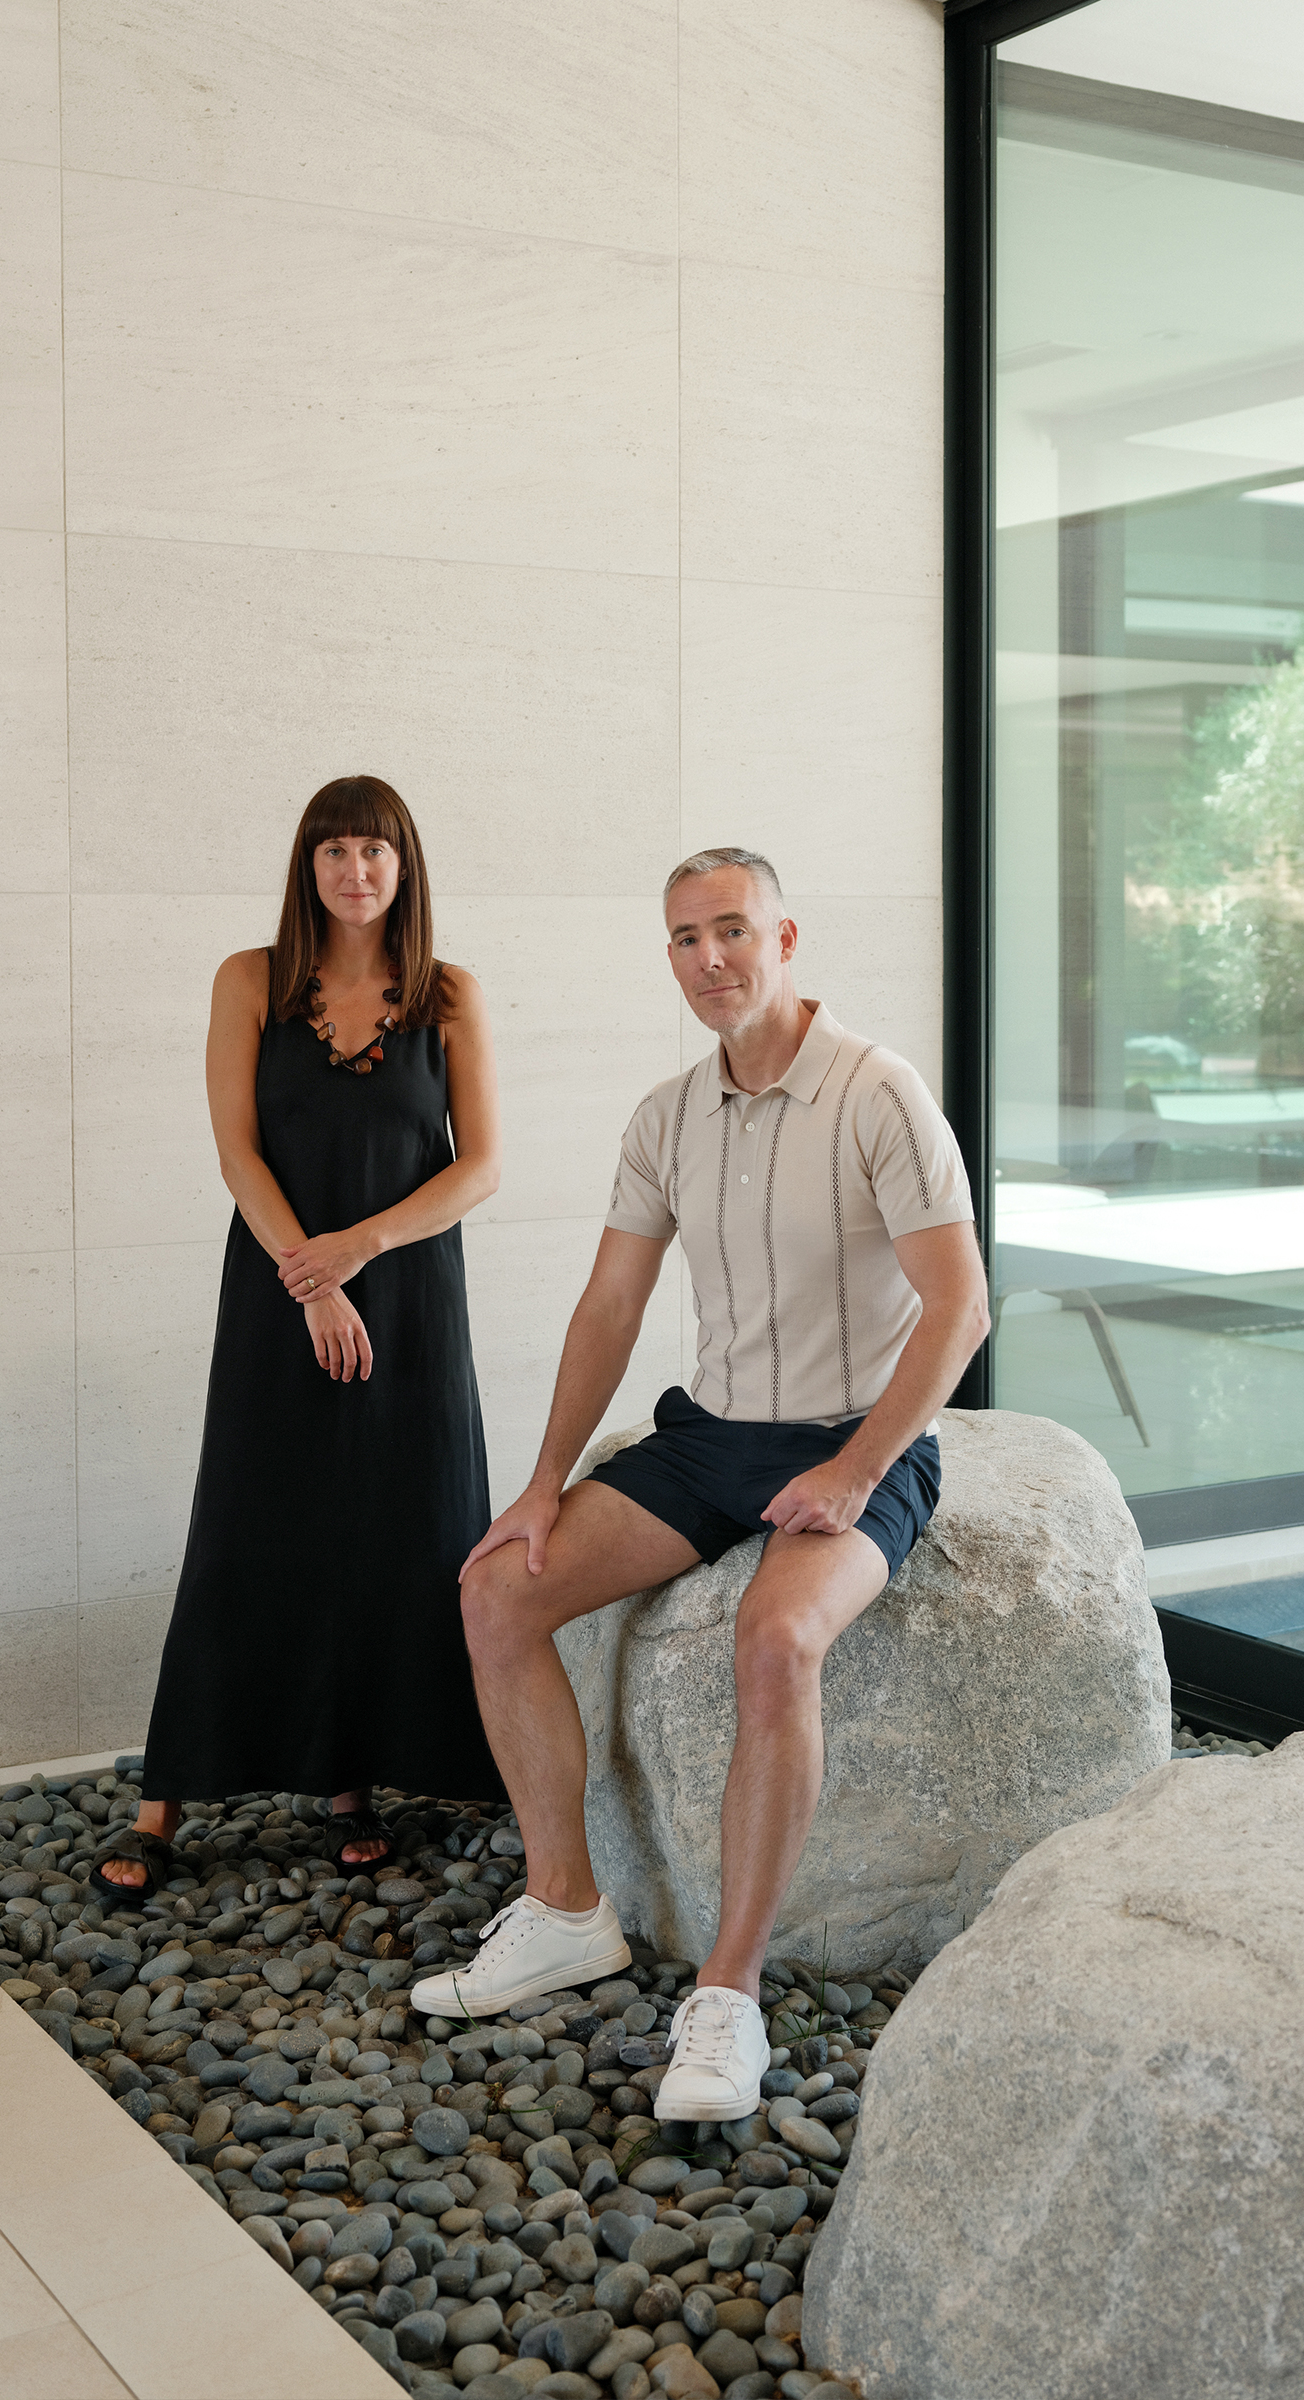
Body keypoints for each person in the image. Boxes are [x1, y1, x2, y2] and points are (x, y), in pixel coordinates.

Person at [420, 847, 988, 2122]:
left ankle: (726, 1997)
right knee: (496, 1595)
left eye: (731, 930)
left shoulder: (877, 1094)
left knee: (775, 1639)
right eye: (683, 939)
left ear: (785, 941)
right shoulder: (668, 1114)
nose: (708, 959)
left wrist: (853, 1471)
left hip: (857, 1438)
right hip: (710, 1438)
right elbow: (611, 1302)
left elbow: (957, 1310)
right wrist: (541, 1485)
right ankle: (567, 1908)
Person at [96, 775, 504, 1899]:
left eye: (373, 852)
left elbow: (480, 1167)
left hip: (410, 1301)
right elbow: (238, 1153)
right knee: (249, 1521)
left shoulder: (448, 995)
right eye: (333, 851)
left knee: (398, 1526)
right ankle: (163, 1798)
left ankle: (352, 1783)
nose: (353, 872)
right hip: (281, 1294)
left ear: (403, 866)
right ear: (306, 866)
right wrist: (309, 1281)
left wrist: (359, 1253)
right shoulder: (252, 981)